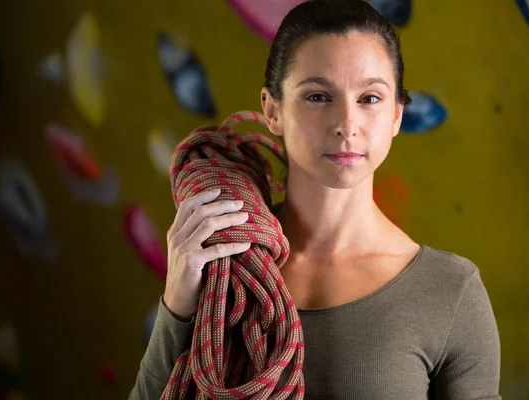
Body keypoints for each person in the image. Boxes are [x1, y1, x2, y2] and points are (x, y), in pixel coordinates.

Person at [129, 0, 502, 398]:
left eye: (370, 98)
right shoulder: (220, 265)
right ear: (272, 111)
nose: (346, 125)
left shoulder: (450, 292)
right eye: (317, 97)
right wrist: (177, 306)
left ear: (396, 115)